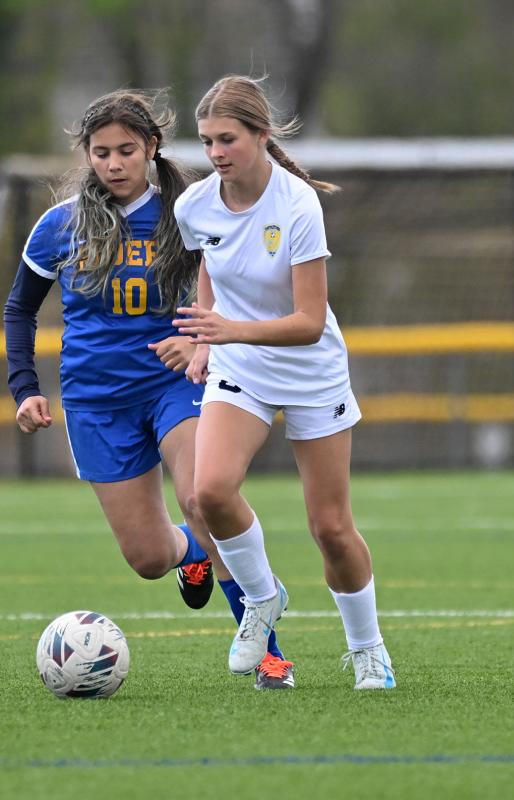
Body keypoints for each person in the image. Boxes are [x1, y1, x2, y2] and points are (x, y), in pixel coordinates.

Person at [3, 88, 294, 690]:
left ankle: (268, 653)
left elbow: (232, 282)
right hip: (95, 402)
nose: (114, 163)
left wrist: (203, 344)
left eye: (127, 150)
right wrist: (24, 388)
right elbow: (19, 310)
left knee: (202, 497)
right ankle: (191, 555)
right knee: (147, 559)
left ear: (151, 148)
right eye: (102, 152)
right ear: (87, 155)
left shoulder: (186, 213)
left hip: (174, 384)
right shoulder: (59, 227)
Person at [173, 75, 396, 690]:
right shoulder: (193, 205)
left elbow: (305, 322)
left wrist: (227, 332)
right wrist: (202, 335)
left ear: (261, 136)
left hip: (310, 370)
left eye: (228, 139)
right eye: (207, 141)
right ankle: (263, 596)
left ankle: (368, 649)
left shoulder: (298, 204)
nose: (216, 153)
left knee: (330, 527)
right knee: (208, 493)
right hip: (242, 367)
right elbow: (211, 273)